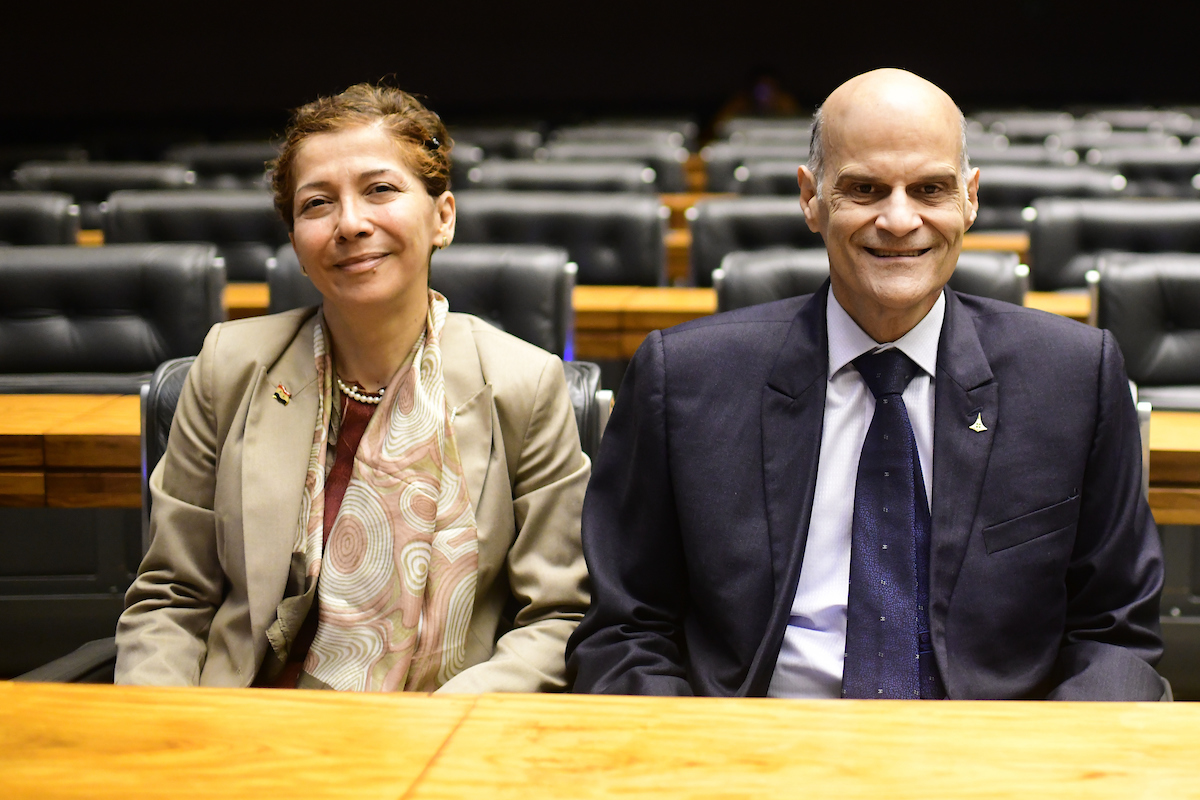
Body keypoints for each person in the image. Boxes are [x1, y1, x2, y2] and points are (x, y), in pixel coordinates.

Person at [567, 69, 1166, 700]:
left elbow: (1114, 631)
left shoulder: (1073, 376)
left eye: (930, 189)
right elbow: (626, 629)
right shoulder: (683, 379)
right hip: (752, 752)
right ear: (811, 198)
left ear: (970, 198)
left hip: (995, 759)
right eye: (865, 189)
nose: (900, 219)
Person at [115, 84, 590, 692]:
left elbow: (559, 615)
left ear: (442, 215)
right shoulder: (229, 366)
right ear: (296, 242)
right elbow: (172, 597)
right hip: (240, 725)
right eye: (317, 204)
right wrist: (163, 731)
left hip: (440, 729)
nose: (350, 223)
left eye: (380, 190)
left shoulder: (523, 383)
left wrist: (453, 724)